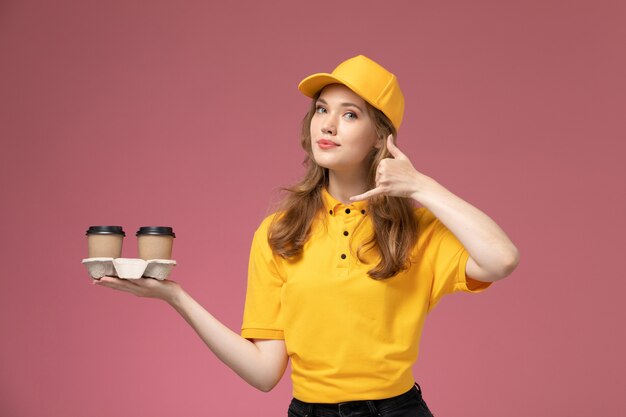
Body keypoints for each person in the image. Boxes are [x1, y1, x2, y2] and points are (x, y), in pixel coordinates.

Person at [94, 55, 520, 417]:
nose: (328, 125)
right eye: (321, 109)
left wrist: (421, 186)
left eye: (350, 114)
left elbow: (501, 259)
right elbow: (264, 373)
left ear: (380, 139)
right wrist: (176, 297)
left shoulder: (417, 230)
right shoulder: (280, 232)